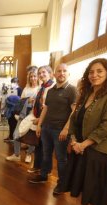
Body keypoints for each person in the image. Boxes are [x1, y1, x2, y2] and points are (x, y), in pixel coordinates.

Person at [58, 58, 107, 205]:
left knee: (91, 183)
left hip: (97, 149)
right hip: (79, 146)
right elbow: (75, 117)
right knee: (79, 180)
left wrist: (84, 144)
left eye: (99, 71)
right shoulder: (87, 94)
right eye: (91, 72)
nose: (95, 75)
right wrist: (73, 140)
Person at [29, 64, 77, 196]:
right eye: (59, 71)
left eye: (64, 71)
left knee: (61, 158)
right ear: (54, 74)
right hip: (46, 128)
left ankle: (62, 183)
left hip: (60, 130)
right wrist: (39, 125)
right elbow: (46, 108)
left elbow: (74, 111)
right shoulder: (50, 91)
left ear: (68, 74)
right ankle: (44, 175)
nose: (61, 73)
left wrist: (66, 128)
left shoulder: (72, 90)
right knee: (46, 153)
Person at [6, 68, 40, 163]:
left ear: (37, 77)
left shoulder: (40, 88)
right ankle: (16, 154)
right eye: (31, 76)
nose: (33, 78)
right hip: (23, 113)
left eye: (34, 76)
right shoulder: (26, 88)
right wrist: (27, 100)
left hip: (34, 114)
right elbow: (20, 101)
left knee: (32, 136)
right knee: (16, 134)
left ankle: (29, 154)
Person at [28, 65, 55, 174]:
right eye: (39, 73)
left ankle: (45, 170)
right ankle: (37, 166)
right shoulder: (42, 86)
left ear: (50, 73)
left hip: (46, 120)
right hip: (39, 119)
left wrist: (40, 119)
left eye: (44, 72)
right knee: (38, 145)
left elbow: (50, 107)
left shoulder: (52, 87)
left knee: (46, 147)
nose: (41, 75)